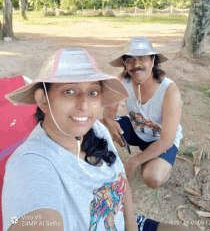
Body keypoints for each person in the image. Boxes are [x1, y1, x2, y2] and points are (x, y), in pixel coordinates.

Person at [2, 48, 188, 231]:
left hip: (120, 217)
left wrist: (131, 227)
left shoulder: (96, 129)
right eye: (69, 91)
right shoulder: (30, 164)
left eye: (93, 92)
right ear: (43, 100)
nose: (84, 105)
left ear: (153, 61)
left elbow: (120, 180)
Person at [103, 37, 183, 189]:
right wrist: (111, 121)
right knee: (101, 125)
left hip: (160, 139)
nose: (136, 65)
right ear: (125, 64)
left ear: (153, 61)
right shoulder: (122, 80)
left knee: (152, 178)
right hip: (136, 129)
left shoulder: (169, 90)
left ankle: (159, 162)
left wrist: (134, 162)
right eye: (130, 60)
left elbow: (167, 140)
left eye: (142, 58)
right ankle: (99, 163)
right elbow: (109, 109)